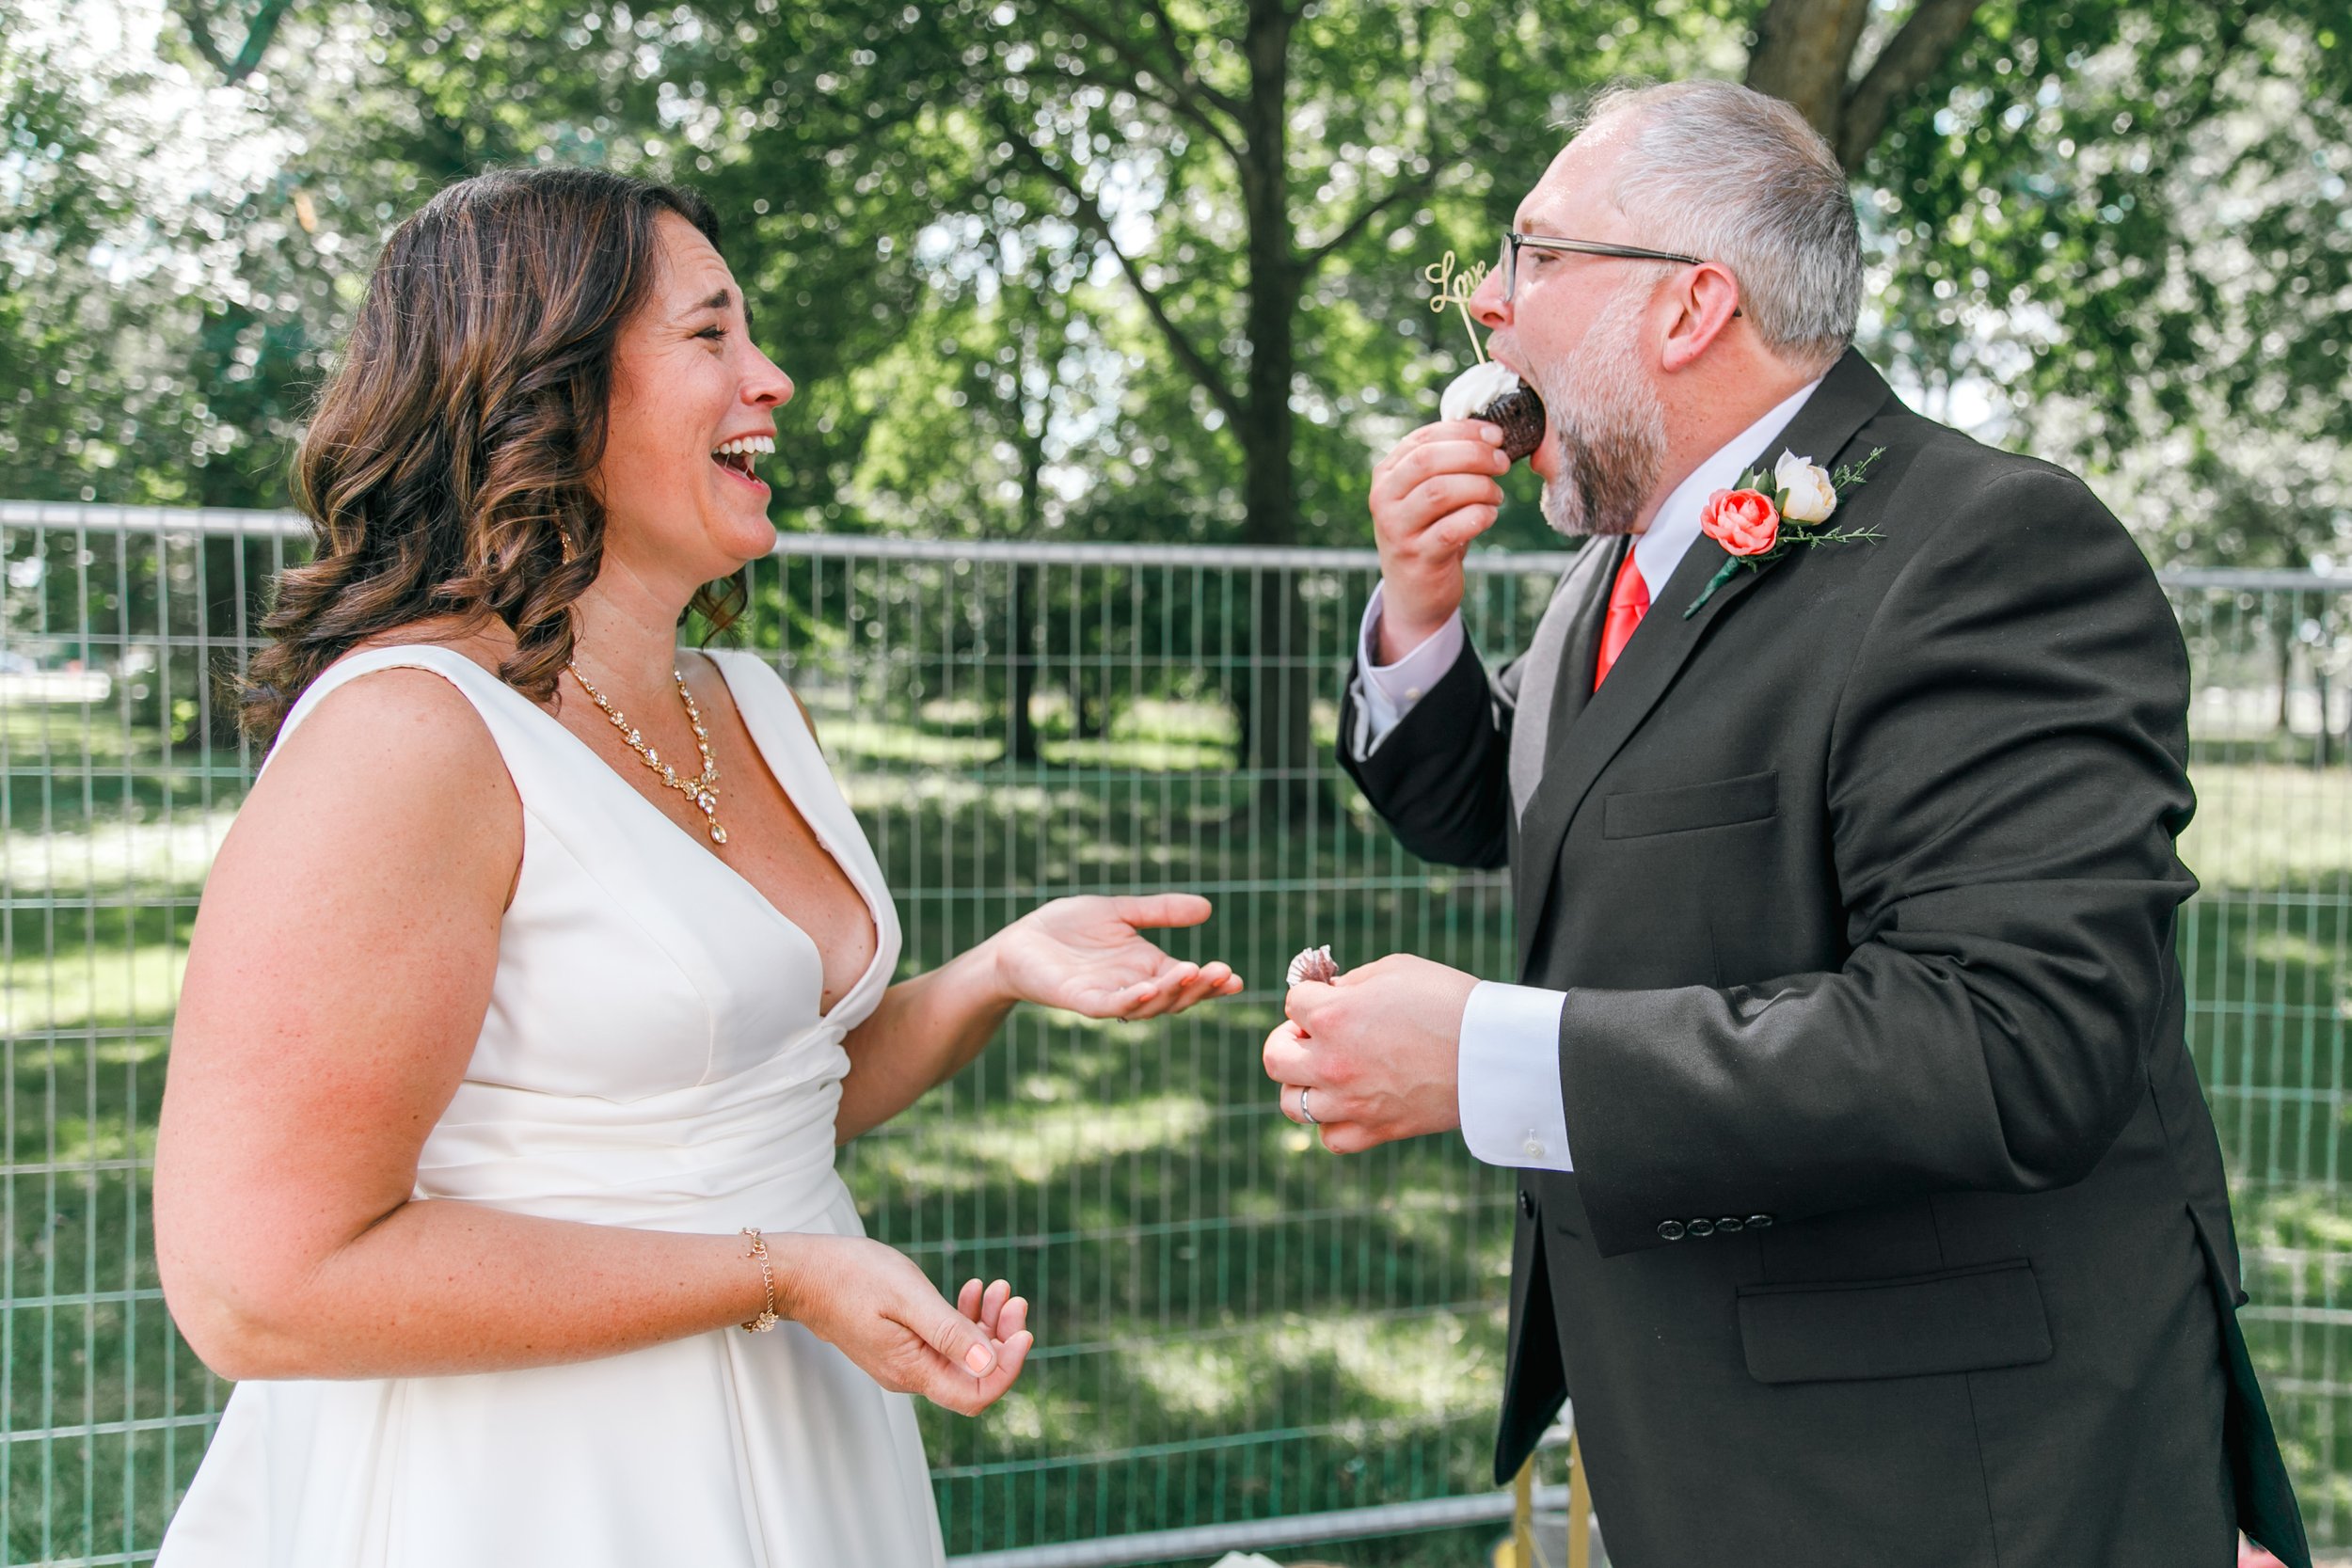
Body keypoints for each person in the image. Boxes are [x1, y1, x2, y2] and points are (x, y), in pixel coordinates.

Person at [1263, 80, 2308, 1568]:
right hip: (1699, 1442)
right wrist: (1418, 614)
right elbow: (1503, 807)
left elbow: (2017, 1041)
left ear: (1690, 307)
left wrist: (1488, 1056)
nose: (1487, 303)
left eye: (1537, 254)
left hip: (1944, 1476)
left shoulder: (1989, 548)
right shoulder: (1619, 573)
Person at [151, 166, 1242, 1568]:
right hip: (535, 1489)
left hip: (806, 1450)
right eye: (712, 335)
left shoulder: (747, 704)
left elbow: (738, 1112)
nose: (771, 379)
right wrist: (776, 1277)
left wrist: (993, 976)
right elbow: (256, 1287)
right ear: (543, 387)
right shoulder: (408, 738)